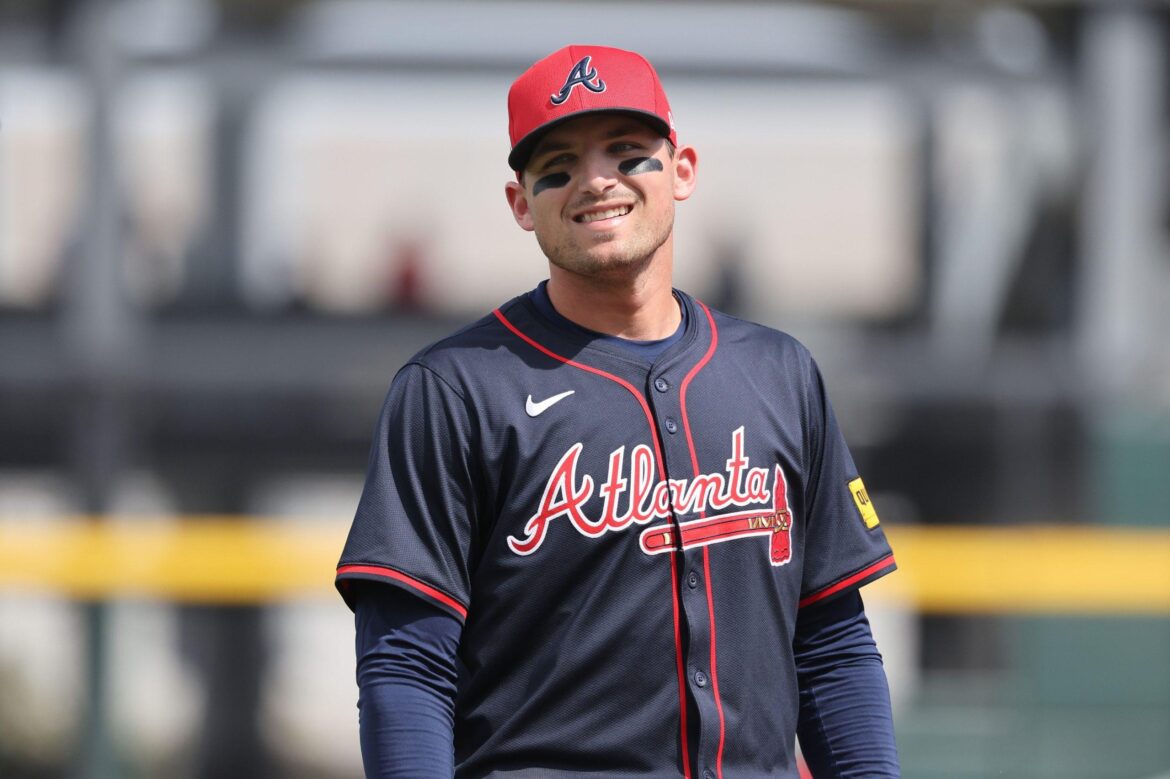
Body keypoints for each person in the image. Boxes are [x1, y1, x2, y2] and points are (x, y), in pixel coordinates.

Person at [337, 44, 901, 778]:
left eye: (628, 153)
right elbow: (407, 663)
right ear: (520, 202)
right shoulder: (455, 388)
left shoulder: (779, 373)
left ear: (683, 169)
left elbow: (830, 640)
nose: (596, 180)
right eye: (559, 165)